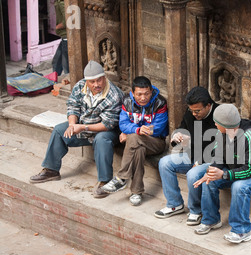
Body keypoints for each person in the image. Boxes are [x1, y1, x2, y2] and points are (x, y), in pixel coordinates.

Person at [29, 61, 124, 199]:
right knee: (59, 130)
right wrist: (72, 125)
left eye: (99, 80)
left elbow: (107, 124)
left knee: (102, 139)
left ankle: (105, 181)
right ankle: (51, 170)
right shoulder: (80, 86)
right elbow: (73, 106)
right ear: (87, 81)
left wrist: (83, 127)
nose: (96, 84)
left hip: (107, 131)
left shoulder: (114, 95)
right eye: (92, 81)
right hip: (83, 126)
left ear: (104, 77)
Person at [193, 104, 251, 244]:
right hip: (237, 170)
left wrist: (224, 175)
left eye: (217, 122)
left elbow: (250, 170)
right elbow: (218, 158)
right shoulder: (222, 133)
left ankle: (241, 230)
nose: (214, 124)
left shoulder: (250, 136)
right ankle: (211, 220)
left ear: (225, 125)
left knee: (239, 186)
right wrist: (213, 171)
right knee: (210, 179)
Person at [154, 87, 219, 225]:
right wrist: (177, 136)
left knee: (193, 173)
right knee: (165, 163)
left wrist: (200, 161)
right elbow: (183, 130)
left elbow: (219, 147)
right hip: (193, 154)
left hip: (212, 160)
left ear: (208, 105)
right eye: (191, 110)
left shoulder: (219, 115)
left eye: (197, 111)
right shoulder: (191, 113)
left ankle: (196, 210)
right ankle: (174, 204)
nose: (194, 113)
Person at [101, 76, 168, 206]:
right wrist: (136, 130)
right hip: (137, 143)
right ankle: (136, 191)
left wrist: (132, 132)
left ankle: (121, 178)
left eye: (146, 94)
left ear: (151, 92)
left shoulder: (160, 102)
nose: (143, 98)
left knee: (133, 138)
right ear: (133, 93)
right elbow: (123, 123)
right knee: (138, 148)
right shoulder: (127, 101)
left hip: (156, 142)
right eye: (139, 94)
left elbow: (158, 128)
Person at [52, 0, 69, 77]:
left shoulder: (61, 3)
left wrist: (57, 27)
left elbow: (67, 21)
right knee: (56, 62)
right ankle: (53, 80)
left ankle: (70, 83)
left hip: (66, 37)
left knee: (67, 66)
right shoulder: (59, 2)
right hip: (64, 37)